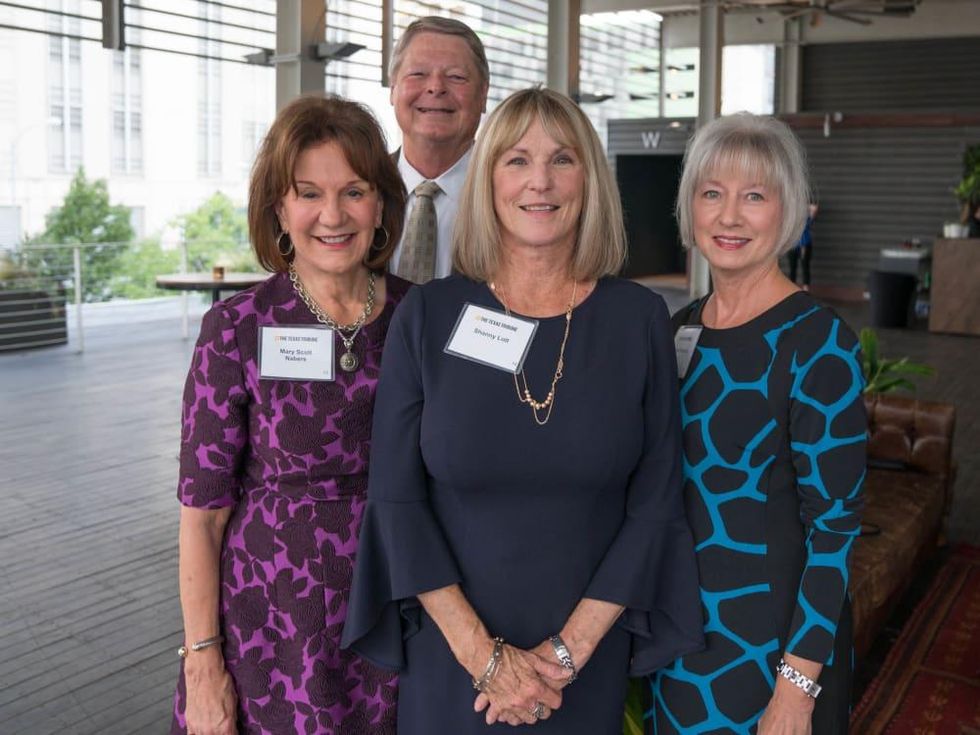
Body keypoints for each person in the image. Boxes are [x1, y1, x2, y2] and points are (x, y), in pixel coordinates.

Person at [340, 87, 704, 734]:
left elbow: (655, 504)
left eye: (562, 159)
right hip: (452, 657)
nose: (540, 180)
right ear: (488, 179)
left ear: (589, 179)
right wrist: (485, 657)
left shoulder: (639, 320)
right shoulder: (427, 315)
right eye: (516, 160)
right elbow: (395, 500)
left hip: (583, 664)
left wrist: (565, 655)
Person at [170, 94, 410, 735]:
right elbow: (203, 518)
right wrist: (202, 666)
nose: (332, 215)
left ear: (381, 204)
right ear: (279, 208)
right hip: (272, 638)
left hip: (401, 619)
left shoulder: (421, 317)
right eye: (308, 193)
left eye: (354, 191)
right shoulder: (236, 329)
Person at [649, 113, 866, 734]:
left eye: (754, 196)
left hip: (773, 647)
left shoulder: (820, 343)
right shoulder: (679, 327)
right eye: (711, 193)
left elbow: (835, 532)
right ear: (690, 208)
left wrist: (797, 690)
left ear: (789, 209)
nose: (729, 217)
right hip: (682, 634)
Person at [388, 16, 489, 283]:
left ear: (483, 95)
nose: (435, 87)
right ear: (392, 89)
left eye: (456, 77)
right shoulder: (359, 188)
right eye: (418, 74)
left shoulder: (514, 196)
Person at [787, 201, 817, 290]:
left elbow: (814, 210)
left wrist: (811, 209)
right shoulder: (791, 217)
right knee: (792, 266)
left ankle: (805, 288)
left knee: (805, 266)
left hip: (805, 244)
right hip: (793, 244)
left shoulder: (806, 216)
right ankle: (791, 289)